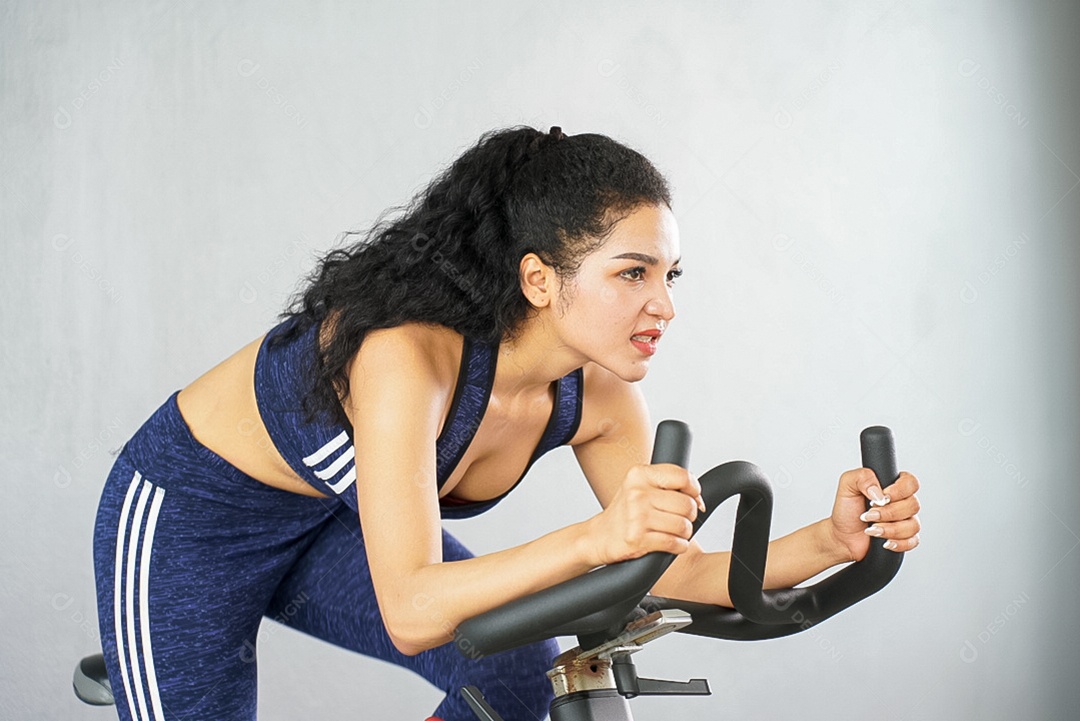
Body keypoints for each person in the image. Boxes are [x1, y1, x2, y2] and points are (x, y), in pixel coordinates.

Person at [92, 125, 921, 721]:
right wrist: (599, 537)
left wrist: (831, 542)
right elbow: (413, 610)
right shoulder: (406, 358)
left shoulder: (595, 398)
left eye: (669, 274)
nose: (663, 304)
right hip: (190, 525)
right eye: (631, 272)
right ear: (537, 278)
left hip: (327, 523)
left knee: (520, 674)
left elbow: (671, 569)